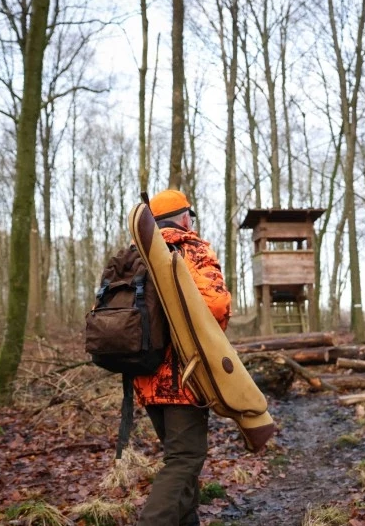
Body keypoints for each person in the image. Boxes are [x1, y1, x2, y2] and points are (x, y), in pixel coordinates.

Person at [133, 189, 231, 526]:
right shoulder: (191, 248)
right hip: (183, 377)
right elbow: (217, 305)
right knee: (185, 458)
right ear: (185, 217)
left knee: (181, 459)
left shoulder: (136, 253)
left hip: (144, 376)